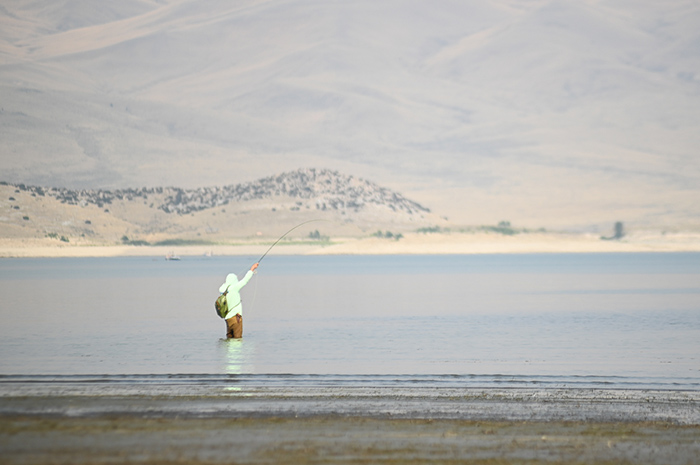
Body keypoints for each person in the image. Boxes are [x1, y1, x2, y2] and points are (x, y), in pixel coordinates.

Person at [219, 263, 258, 338]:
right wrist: (252, 269)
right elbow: (245, 280)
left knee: (229, 339)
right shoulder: (234, 288)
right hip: (236, 319)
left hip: (227, 320)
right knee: (237, 340)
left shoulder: (222, 291)